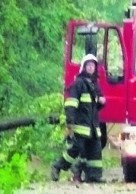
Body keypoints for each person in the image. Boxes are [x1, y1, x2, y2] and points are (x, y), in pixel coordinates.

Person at [51, 54, 106, 183]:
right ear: (84, 67)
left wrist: (102, 101)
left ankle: (94, 176)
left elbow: (96, 105)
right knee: (76, 149)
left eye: (93, 66)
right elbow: (71, 104)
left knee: (95, 151)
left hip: (93, 127)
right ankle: (57, 166)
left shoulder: (94, 85)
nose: (91, 68)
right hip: (81, 126)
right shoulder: (78, 84)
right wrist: (70, 122)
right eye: (89, 65)